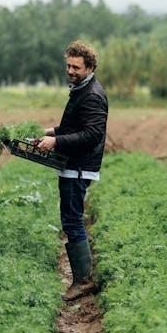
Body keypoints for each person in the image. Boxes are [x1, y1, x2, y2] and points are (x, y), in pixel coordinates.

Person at [38, 41, 108, 302]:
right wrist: (50, 132)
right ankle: (83, 276)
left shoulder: (92, 95)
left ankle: (83, 281)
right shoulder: (82, 89)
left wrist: (55, 142)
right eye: (68, 65)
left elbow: (92, 134)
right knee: (71, 218)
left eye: (76, 67)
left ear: (89, 67)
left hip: (78, 168)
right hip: (73, 165)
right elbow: (76, 126)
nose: (70, 70)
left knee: (72, 219)